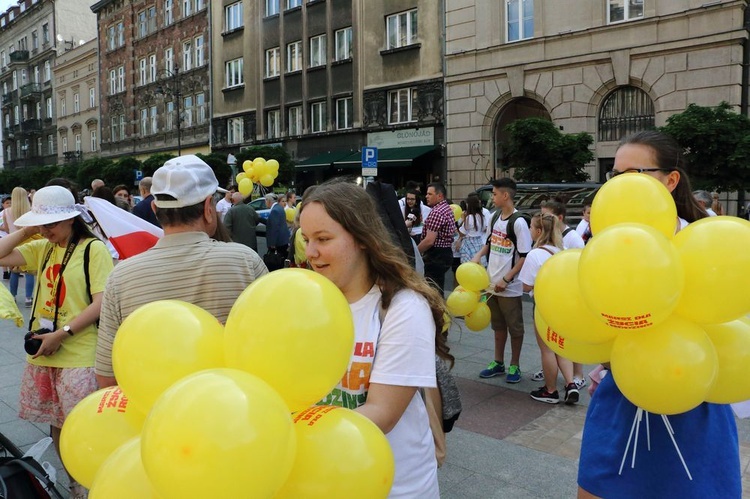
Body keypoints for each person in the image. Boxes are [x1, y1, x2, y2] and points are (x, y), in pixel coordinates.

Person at [579, 130, 739, 499]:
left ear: (670, 180)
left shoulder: (706, 245)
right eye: (615, 176)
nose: (620, 186)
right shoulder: (604, 242)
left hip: (691, 397)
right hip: (623, 394)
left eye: (635, 173)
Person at [300, 180, 452, 498]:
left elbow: (381, 413)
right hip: (324, 480)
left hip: (395, 487)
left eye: (323, 239)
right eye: (306, 239)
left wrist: (287, 435)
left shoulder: (403, 307)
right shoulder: (305, 302)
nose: (311, 252)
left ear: (362, 239)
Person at [96, 156, 268, 388]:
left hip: (155, 415)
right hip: (233, 409)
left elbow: (107, 376)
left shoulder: (121, 277)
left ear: (155, 209)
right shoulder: (245, 262)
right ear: (209, 208)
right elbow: (270, 349)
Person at [0, 185, 114, 499]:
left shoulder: (93, 249)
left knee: (81, 426)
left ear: (71, 219)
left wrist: (62, 334)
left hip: (79, 352)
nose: (46, 229)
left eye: (51, 223)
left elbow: (100, 303)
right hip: (45, 353)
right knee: (58, 425)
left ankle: (97, 483)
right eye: (42, 223)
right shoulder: (43, 247)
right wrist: (27, 231)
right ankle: (76, 485)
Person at [471, 178, 532, 383]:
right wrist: (478, 256)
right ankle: (498, 362)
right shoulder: (495, 216)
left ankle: (515, 365)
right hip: (491, 283)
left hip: (510, 286)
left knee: (515, 328)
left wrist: (507, 279)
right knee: (498, 326)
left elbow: (525, 255)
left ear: (505, 195)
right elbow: (489, 242)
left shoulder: (519, 222)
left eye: (495, 194)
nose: (492, 197)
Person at [518, 212, 579, 405]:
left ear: (538, 231)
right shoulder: (564, 250)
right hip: (565, 306)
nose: (529, 231)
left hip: (544, 306)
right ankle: (571, 385)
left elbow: (526, 286)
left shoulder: (535, 254)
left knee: (547, 350)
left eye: (531, 227)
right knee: (561, 346)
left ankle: (550, 390)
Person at [417, 183, 456, 294]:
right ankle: (439, 309)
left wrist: (414, 251)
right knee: (438, 288)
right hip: (445, 252)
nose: (426, 196)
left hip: (436, 255)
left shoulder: (437, 212)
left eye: (430, 194)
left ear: (440, 196)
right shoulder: (446, 208)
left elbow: (429, 241)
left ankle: (436, 310)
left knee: (432, 290)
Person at [2, 187, 35, 307]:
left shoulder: (6, 212)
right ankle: (28, 298)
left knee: (14, 272)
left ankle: (13, 296)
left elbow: (6, 229)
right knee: (30, 272)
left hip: (13, 243)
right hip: (29, 243)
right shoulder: (31, 210)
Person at [455, 192, 490, 264]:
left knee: (468, 264)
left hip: (469, 242)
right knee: (479, 263)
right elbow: (484, 228)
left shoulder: (469, 217)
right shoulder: (481, 216)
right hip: (479, 241)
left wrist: (463, 220)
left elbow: (462, 233)